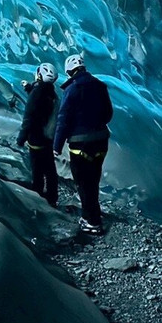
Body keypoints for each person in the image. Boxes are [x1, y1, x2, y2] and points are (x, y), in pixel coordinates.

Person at [53, 53, 113, 235]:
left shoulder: (72, 89)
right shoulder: (100, 85)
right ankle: (94, 212)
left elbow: (63, 119)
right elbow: (108, 113)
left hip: (80, 144)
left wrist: (56, 146)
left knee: (83, 182)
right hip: (101, 140)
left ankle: (91, 221)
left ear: (69, 70)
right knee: (93, 179)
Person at [16, 62, 59, 206]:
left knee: (37, 168)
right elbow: (42, 105)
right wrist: (30, 88)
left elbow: (30, 115)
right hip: (47, 137)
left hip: (36, 137)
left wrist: (21, 137)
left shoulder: (38, 91)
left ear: (40, 74)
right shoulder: (51, 92)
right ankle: (52, 196)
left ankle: (38, 195)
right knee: (49, 168)